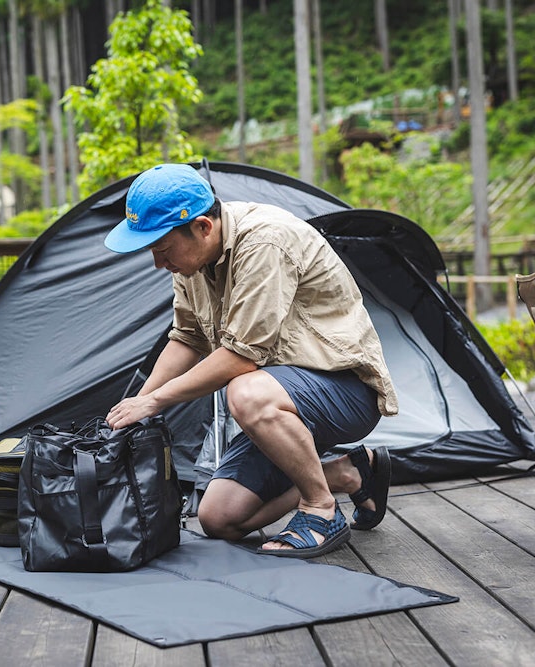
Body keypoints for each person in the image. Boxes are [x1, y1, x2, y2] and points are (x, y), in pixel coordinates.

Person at [103, 163, 398, 558]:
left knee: (243, 390)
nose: (159, 263)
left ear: (204, 227)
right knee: (219, 518)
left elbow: (241, 358)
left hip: (344, 392)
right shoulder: (190, 260)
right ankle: (344, 473)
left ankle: (320, 509)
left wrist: (156, 402)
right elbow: (187, 338)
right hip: (281, 400)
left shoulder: (265, 243)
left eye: (163, 250)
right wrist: (136, 406)